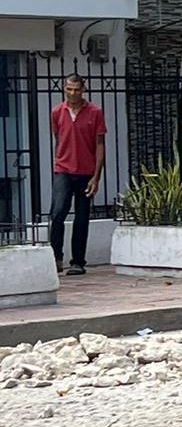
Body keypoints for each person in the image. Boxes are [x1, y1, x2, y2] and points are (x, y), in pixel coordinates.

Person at [49, 74, 106, 276]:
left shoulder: (95, 112)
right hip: (63, 169)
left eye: (76, 89)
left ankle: (78, 261)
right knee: (58, 211)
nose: (72, 93)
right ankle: (56, 257)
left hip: (86, 171)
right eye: (69, 89)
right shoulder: (57, 112)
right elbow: (59, 138)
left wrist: (96, 176)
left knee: (82, 216)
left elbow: (100, 144)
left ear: (83, 90)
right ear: (64, 89)